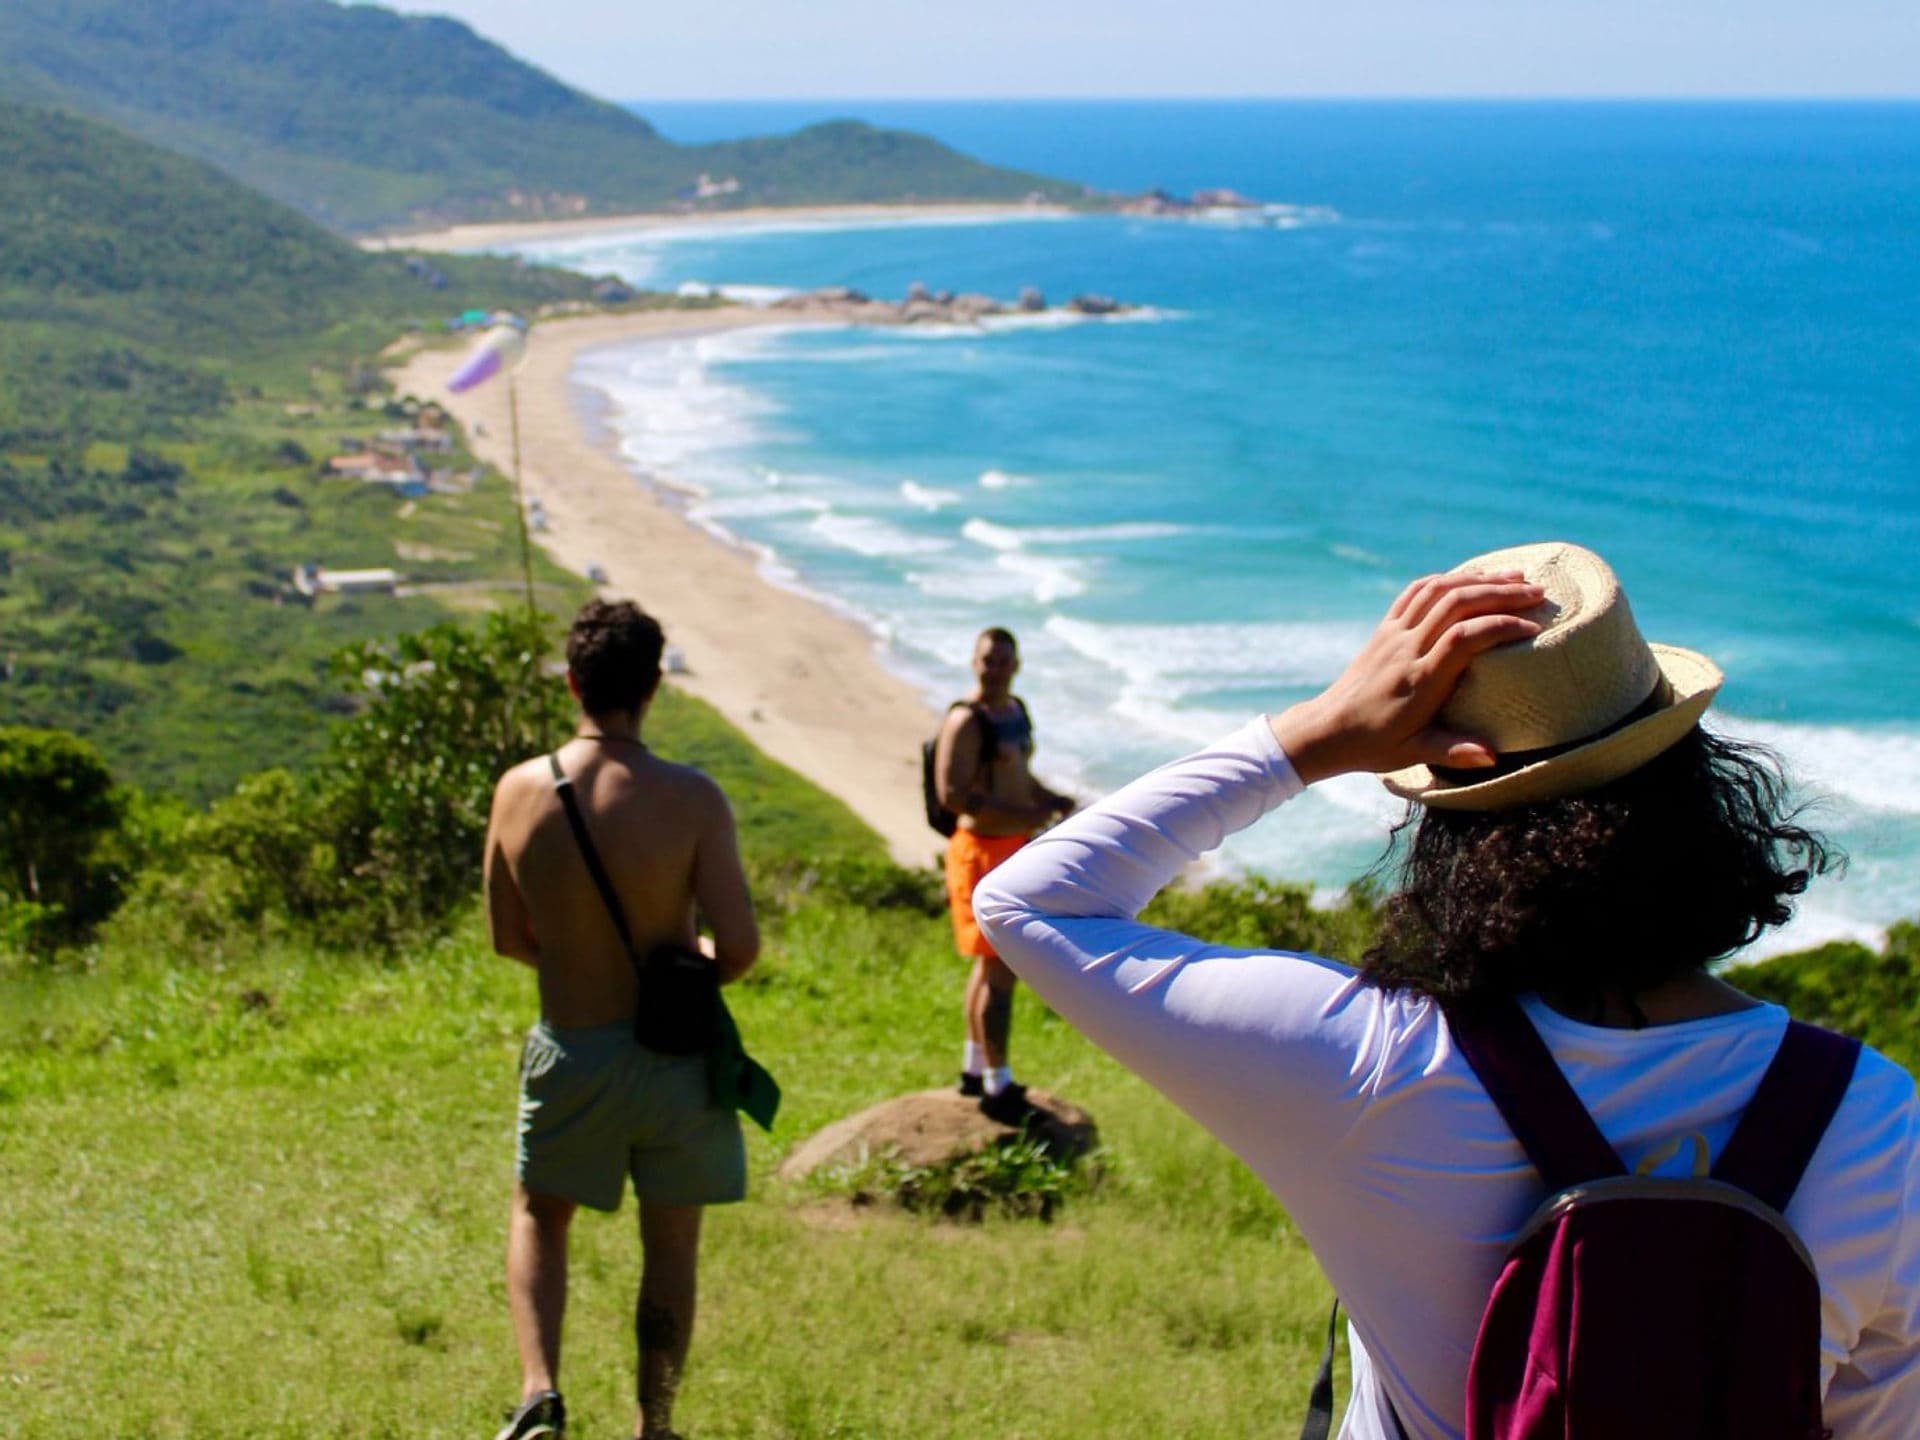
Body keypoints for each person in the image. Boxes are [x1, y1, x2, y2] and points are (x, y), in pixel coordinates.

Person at [974, 543, 1920, 1437]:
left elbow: (1031, 904)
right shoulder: (1875, 1116)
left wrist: (1318, 734)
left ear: (1451, 828)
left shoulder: (1369, 1060)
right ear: (1703, 793)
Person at [483, 599, 759, 1440]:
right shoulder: (694, 798)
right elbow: (739, 949)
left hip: (571, 1044)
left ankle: (541, 1394)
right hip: (675, 1058)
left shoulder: (519, 790)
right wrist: (683, 968)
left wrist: (575, 962)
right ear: (653, 688)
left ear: (573, 682)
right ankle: (656, 1425)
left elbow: (508, 937)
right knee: (670, 1246)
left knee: (540, 1213)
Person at [932, 626, 1075, 1122]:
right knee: (1000, 969)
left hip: (1013, 849)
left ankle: (976, 1070)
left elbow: (1016, 775)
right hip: (980, 853)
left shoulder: (1015, 713)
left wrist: (1047, 800)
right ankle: (998, 1083)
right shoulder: (965, 721)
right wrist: (1023, 815)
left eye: (1003, 661)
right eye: (987, 660)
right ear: (974, 662)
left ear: (1016, 665)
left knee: (989, 967)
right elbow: (952, 794)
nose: (994, 668)